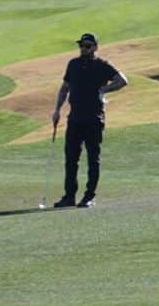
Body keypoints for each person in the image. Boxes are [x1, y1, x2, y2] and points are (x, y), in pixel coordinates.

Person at [51, 33, 128, 209]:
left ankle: (89, 197)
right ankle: (69, 196)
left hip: (94, 118)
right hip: (75, 118)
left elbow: (123, 81)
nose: (83, 49)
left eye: (87, 46)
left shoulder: (102, 65)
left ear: (95, 47)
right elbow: (65, 88)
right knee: (71, 159)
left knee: (93, 159)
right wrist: (57, 110)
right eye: (81, 46)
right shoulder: (73, 64)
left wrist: (104, 89)